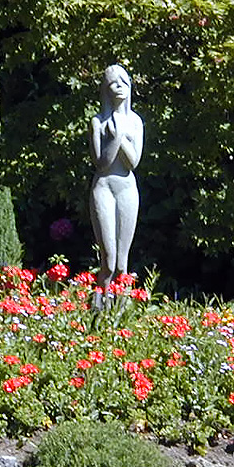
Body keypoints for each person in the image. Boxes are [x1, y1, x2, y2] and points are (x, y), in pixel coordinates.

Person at [89, 64, 143, 307]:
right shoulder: (97, 122)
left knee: (122, 263)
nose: (119, 86)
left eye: (123, 81)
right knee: (108, 261)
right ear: (106, 90)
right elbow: (102, 163)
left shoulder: (135, 121)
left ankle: (121, 317)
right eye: (113, 83)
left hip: (127, 188)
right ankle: (98, 312)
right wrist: (117, 136)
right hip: (103, 188)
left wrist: (120, 134)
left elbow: (132, 162)